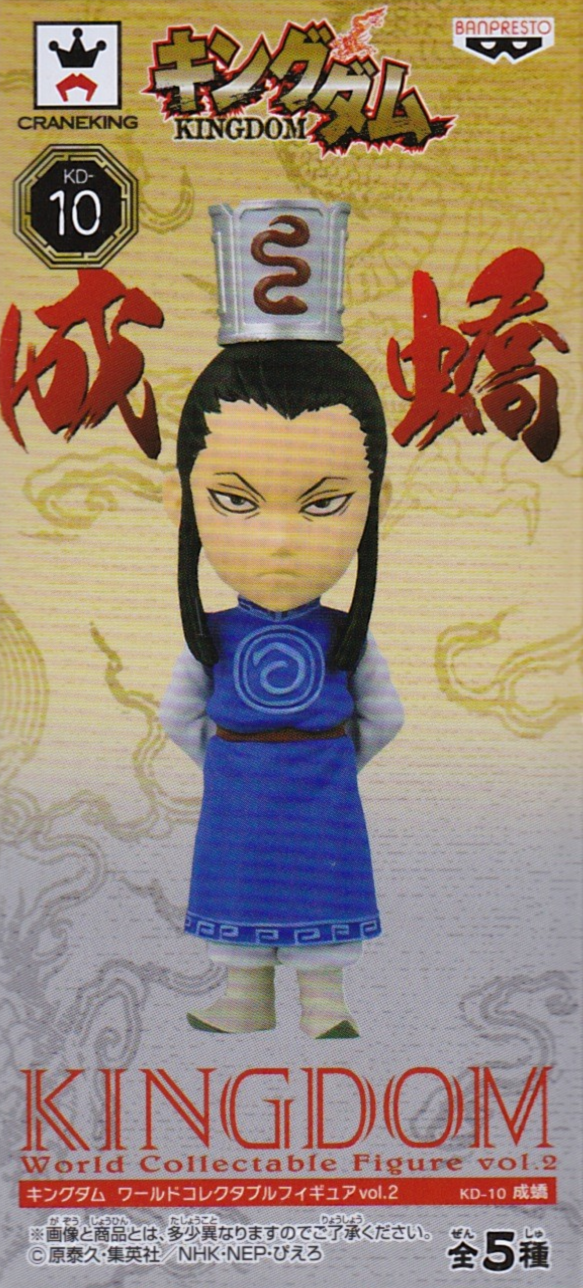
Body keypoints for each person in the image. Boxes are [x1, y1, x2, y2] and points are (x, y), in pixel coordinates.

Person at [160, 339, 404, 1036]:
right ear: (181, 503)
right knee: (241, 888)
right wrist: (232, 761)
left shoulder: (343, 636)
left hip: (315, 792)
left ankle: (325, 1003)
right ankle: (247, 998)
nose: (279, 542)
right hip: (244, 793)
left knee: (319, 887)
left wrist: (327, 762)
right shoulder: (211, 636)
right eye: (235, 500)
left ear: (376, 506)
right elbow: (176, 714)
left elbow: (385, 714)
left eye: (323, 503)